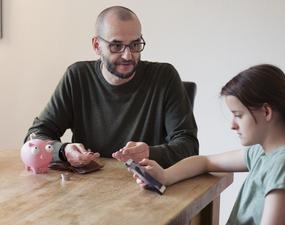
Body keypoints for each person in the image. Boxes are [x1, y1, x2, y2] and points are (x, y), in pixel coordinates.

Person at [24, 6, 198, 168]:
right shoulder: (77, 76)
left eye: (135, 45)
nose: (128, 55)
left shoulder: (164, 77)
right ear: (96, 45)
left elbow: (189, 146)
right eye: (116, 46)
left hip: (146, 184)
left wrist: (150, 152)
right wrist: (62, 151)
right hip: (88, 188)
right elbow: (35, 137)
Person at [133, 64, 285, 225]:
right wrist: (164, 176)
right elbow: (205, 162)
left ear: (266, 112)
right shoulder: (261, 153)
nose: (232, 125)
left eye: (238, 115)